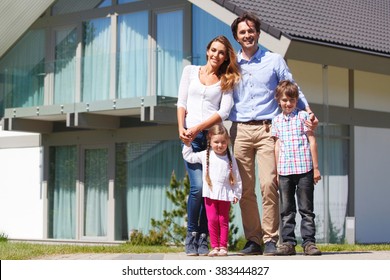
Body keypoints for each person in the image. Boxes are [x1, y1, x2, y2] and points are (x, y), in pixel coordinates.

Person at [229, 12, 318, 256]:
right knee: (246, 189)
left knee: (269, 184)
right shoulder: (232, 63)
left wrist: (308, 111)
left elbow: (293, 89)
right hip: (241, 130)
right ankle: (253, 240)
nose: (247, 35)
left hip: (269, 129)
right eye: (242, 32)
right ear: (237, 37)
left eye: (251, 31)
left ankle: (271, 238)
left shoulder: (274, 60)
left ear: (258, 33)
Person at [177, 35, 241, 256]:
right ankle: (191, 234)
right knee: (197, 188)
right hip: (190, 137)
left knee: (210, 190)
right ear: (207, 51)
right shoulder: (190, 71)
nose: (216, 55)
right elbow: (182, 102)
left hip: (212, 139)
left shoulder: (226, 81)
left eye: (221, 52)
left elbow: (223, 112)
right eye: (213, 50)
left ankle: (204, 237)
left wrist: (199, 127)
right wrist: (182, 129)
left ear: (226, 58)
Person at [271, 80, 322, 256]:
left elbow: (312, 141)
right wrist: (277, 172)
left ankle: (309, 243)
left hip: (304, 169)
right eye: (285, 100)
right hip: (285, 171)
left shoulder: (303, 117)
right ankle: (288, 243)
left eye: (292, 100)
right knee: (286, 210)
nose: (288, 103)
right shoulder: (276, 120)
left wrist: (315, 168)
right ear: (278, 100)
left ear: (296, 100)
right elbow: (277, 146)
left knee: (306, 209)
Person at [182, 123, 242, 257]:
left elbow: (237, 177)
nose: (220, 145)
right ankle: (214, 246)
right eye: (216, 142)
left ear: (227, 141)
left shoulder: (230, 157)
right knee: (213, 220)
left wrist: (237, 193)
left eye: (223, 142)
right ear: (210, 140)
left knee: (223, 220)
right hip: (210, 195)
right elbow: (189, 157)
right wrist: (187, 144)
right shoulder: (205, 155)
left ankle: (223, 246)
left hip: (225, 195)